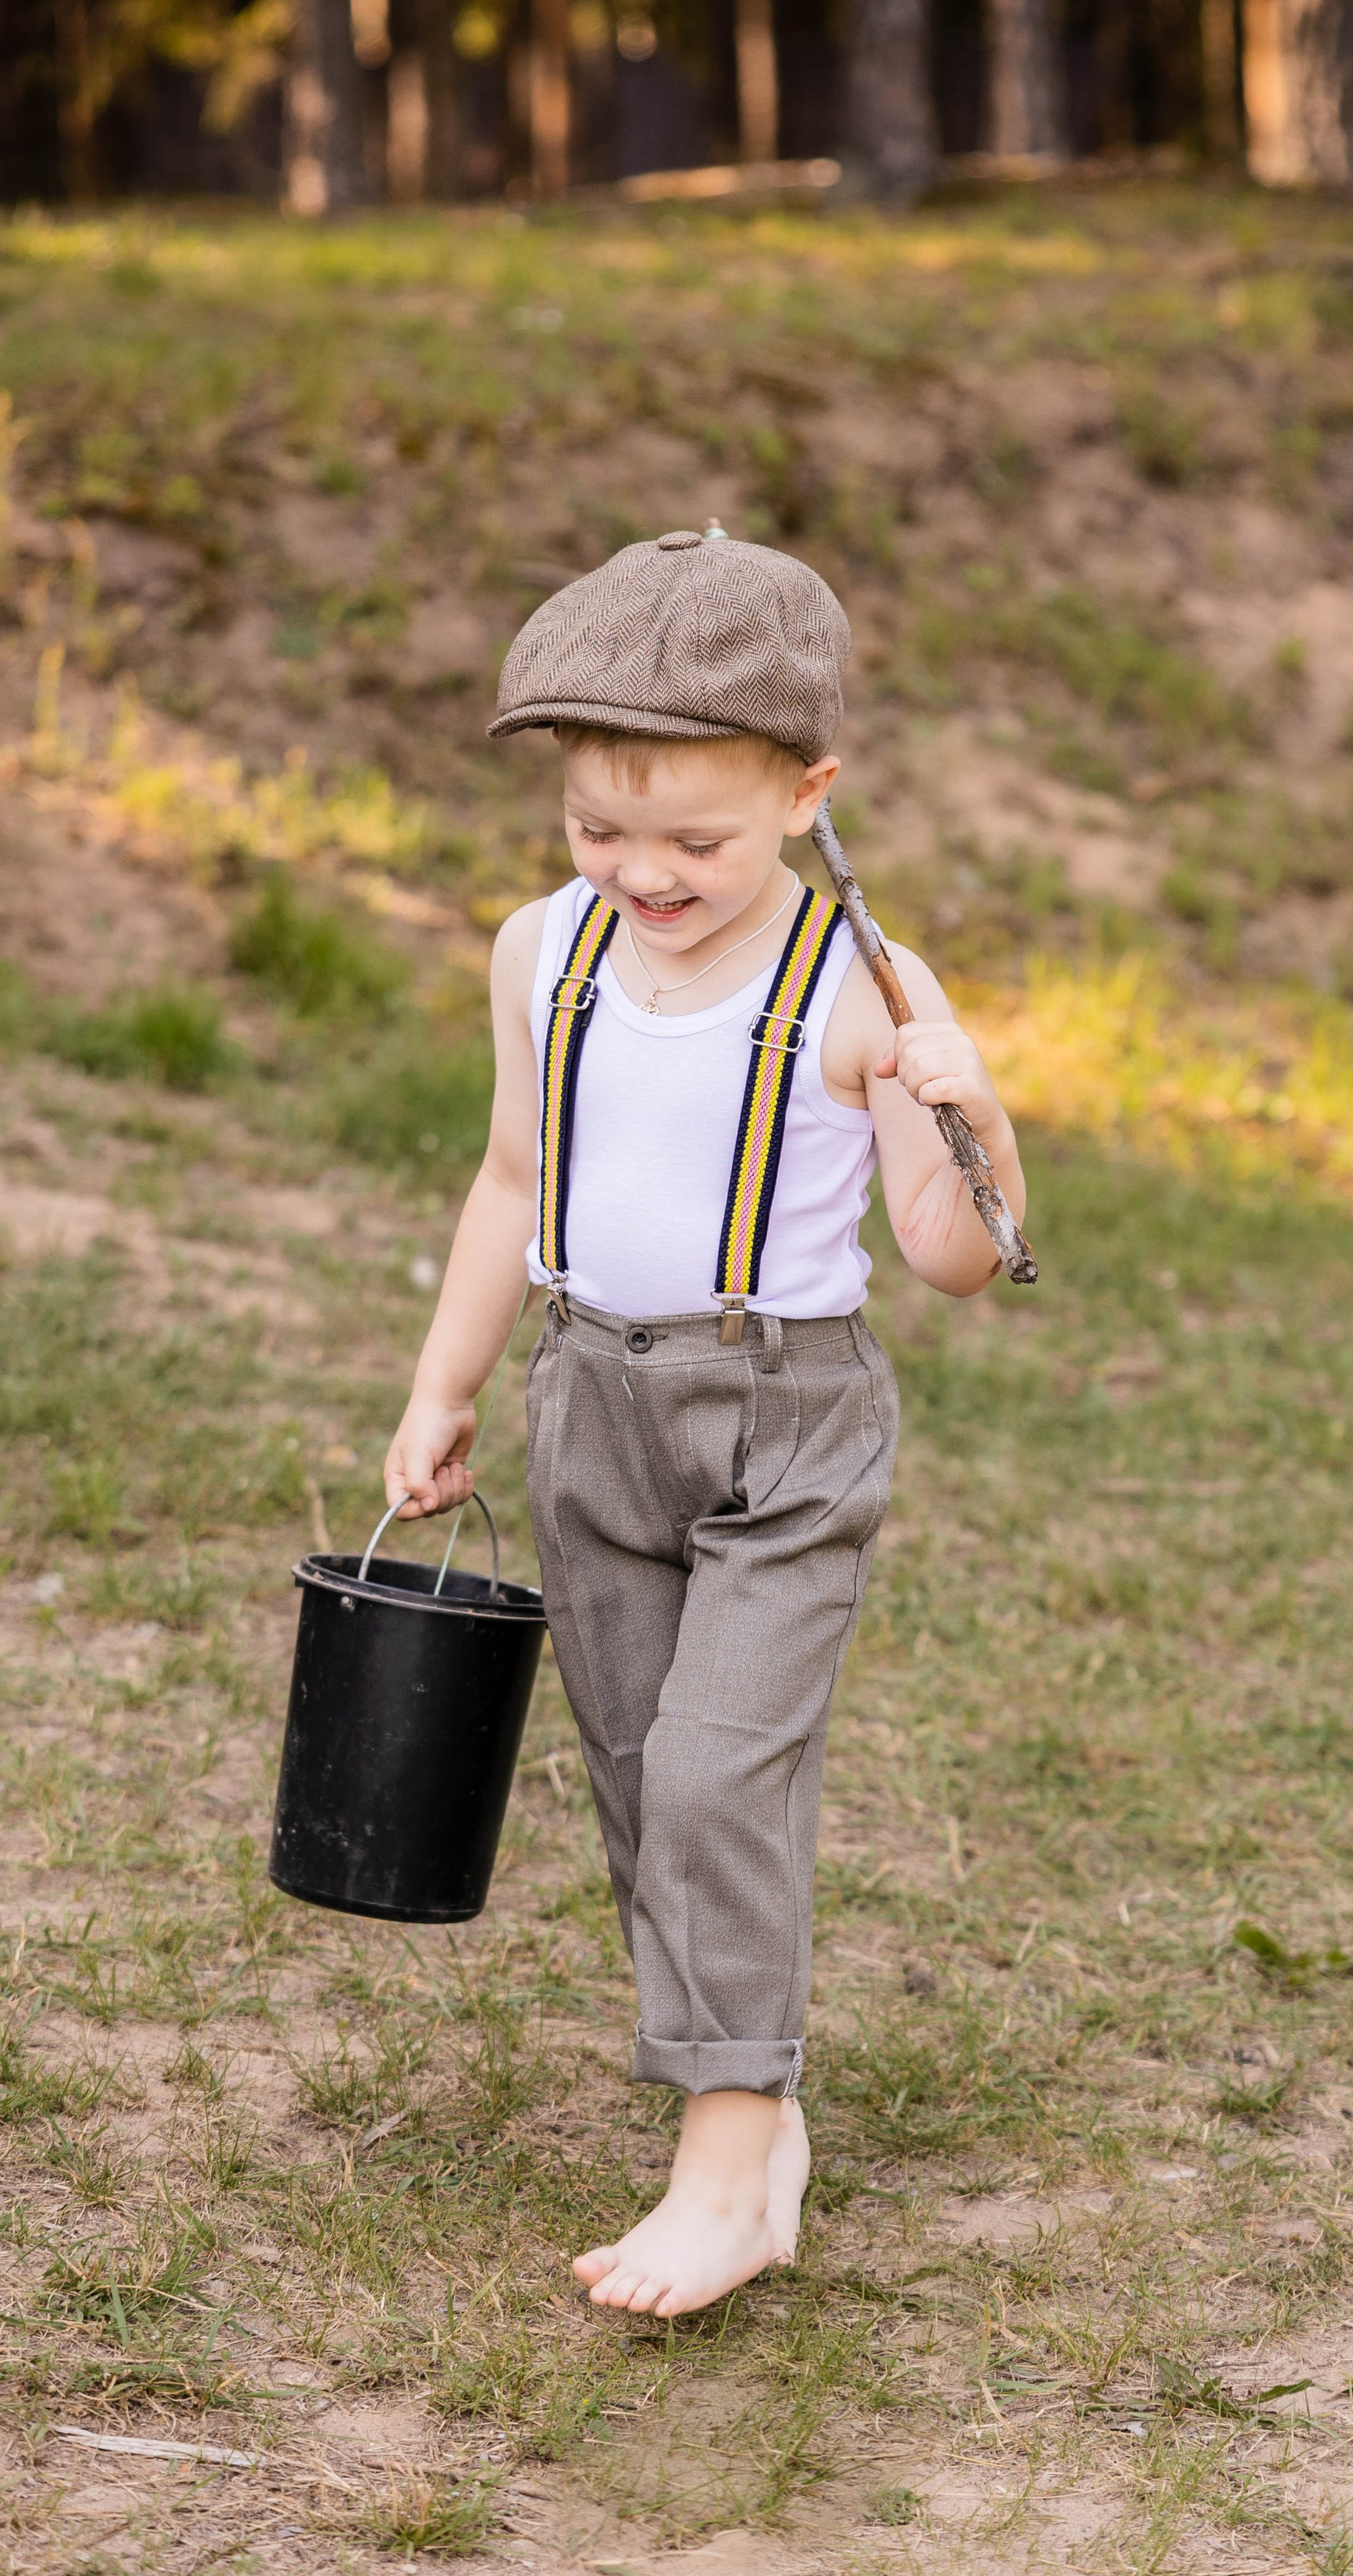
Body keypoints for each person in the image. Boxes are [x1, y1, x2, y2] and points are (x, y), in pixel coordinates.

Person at [382, 526, 1025, 2319]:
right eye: (599, 828)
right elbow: (513, 1174)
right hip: (588, 1400)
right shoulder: (541, 955)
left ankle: (723, 2163)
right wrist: (442, 1387)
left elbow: (952, 1256)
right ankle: (755, 2099)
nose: (641, 873)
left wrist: (978, 1111)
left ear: (808, 795)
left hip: (783, 1419)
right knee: (633, 1773)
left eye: (697, 839)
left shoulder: (855, 992)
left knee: (718, 1764)